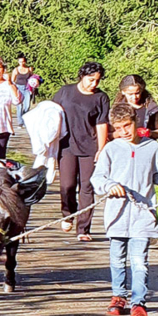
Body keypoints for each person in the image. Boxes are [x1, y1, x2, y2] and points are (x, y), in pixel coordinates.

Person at [91, 103, 158, 316]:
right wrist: (109, 185)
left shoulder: (151, 147)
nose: (124, 132)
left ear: (135, 121)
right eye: (118, 128)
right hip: (117, 214)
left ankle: (139, 303)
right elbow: (97, 178)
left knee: (140, 261)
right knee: (117, 258)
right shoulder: (110, 149)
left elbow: (157, 174)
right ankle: (118, 296)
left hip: (142, 213)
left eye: (127, 126)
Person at [50, 61, 110, 242]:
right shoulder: (65, 92)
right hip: (66, 145)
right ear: (82, 76)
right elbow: (50, 114)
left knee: (87, 187)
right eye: (91, 80)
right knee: (67, 185)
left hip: (90, 147)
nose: (94, 84)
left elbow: (102, 123)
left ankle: (83, 229)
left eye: (97, 81)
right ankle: (67, 213)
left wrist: (101, 148)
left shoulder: (101, 98)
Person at [115, 74, 158, 140]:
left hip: (146, 146)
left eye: (137, 93)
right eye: (130, 94)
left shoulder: (151, 108)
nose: (134, 97)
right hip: (125, 147)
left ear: (141, 91)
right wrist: (125, 133)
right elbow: (110, 134)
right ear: (123, 92)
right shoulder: (117, 110)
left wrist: (150, 133)